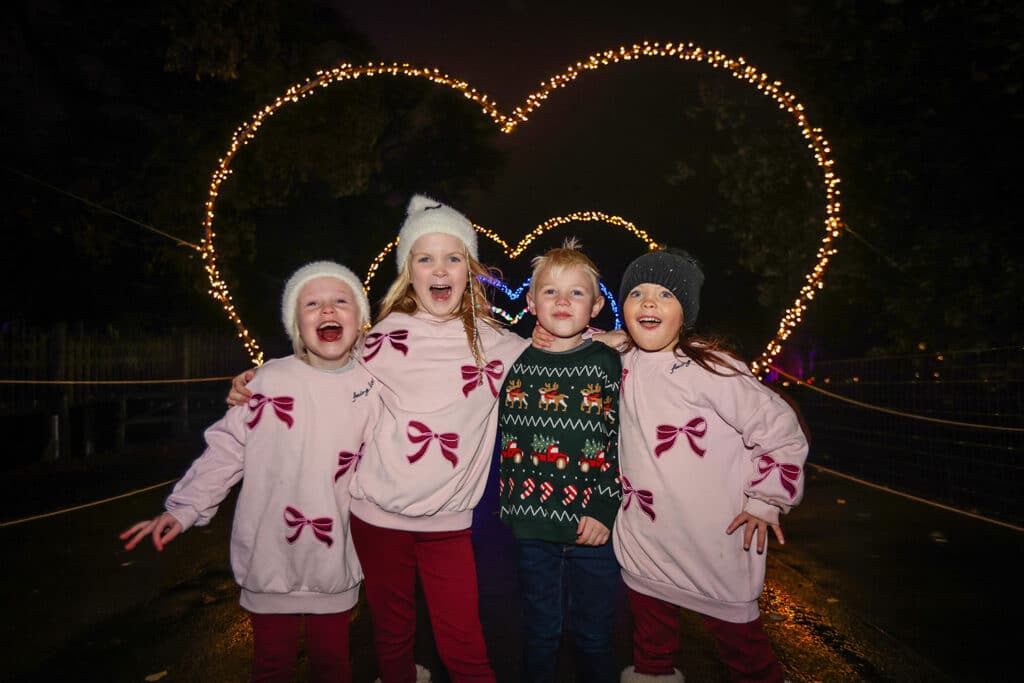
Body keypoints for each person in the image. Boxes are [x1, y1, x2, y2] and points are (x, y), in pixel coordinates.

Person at [120, 261, 377, 683]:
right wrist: (183, 507)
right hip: (268, 554)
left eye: (341, 301)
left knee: (333, 664)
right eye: (312, 303)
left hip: (334, 558)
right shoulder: (268, 383)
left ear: (360, 320)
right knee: (271, 665)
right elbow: (227, 449)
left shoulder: (374, 385)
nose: (327, 310)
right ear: (295, 323)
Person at [612, 249, 809, 683]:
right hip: (646, 544)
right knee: (651, 654)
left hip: (714, 547)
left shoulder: (712, 368)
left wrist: (765, 501)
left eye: (665, 294)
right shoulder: (619, 361)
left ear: (686, 312)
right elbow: (578, 339)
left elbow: (781, 430)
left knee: (746, 657)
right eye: (637, 293)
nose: (648, 303)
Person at [497, 239, 622, 683]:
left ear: (595, 308)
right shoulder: (510, 361)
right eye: (550, 291)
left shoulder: (612, 364)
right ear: (531, 303)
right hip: (532, 525)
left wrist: (604, 508)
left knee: (593, 637)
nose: (562, 301)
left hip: (595, 528)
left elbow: (620, 442)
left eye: (576, 293)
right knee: (539, 632)